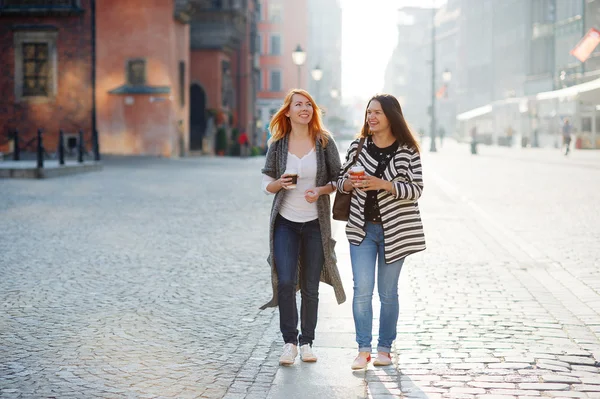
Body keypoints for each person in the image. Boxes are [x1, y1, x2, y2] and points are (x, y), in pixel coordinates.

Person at [336, 94, 426, 370]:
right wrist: (349, 184)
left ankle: (384, 348)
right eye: (368, 112)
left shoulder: (408, 150)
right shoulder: (358, 146)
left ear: (391, 116)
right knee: (362, 290)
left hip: (394, 232)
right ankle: (363, 349)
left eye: (377, 113)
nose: (371, 117)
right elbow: (340, 181)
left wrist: (383, 185)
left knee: (388, 293)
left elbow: (416, 190)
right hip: (361, 229)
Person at [260, 89, 346, 366]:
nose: (304, 108)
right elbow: (266, 185)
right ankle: (290, 343)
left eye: (308, 104)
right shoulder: (278, 144)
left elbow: (339, 180)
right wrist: (280, 183)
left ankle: (307, 341)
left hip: (314, 224)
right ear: (288, 112)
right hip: (285, 222)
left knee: (310, 286)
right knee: (285, 282)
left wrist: (320, 190)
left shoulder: (324, 141)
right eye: (298, 104)